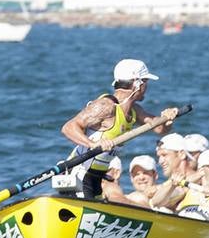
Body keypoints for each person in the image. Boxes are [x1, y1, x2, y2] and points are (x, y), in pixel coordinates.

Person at [60, 58, 179, 201]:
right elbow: (69, 128)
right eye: (145, 82)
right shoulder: (106, 106)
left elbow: (160, 129)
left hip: (97, 178)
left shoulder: (135, 110)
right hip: (78, 174)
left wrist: (167, 118)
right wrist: (93, 144)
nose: (146, 87)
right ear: (137, 83)